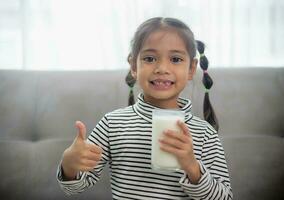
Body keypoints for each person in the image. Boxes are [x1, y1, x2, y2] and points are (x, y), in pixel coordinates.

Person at [57, 17, 233, 200]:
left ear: (191, 69)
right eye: (149, 58)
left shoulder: (204, 134)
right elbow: (73, 188)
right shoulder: (113, 124)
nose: (162, 68)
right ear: (134, 66)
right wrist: (69, 165)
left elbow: (225, 197)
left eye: (175, 59)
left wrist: (193, 168)